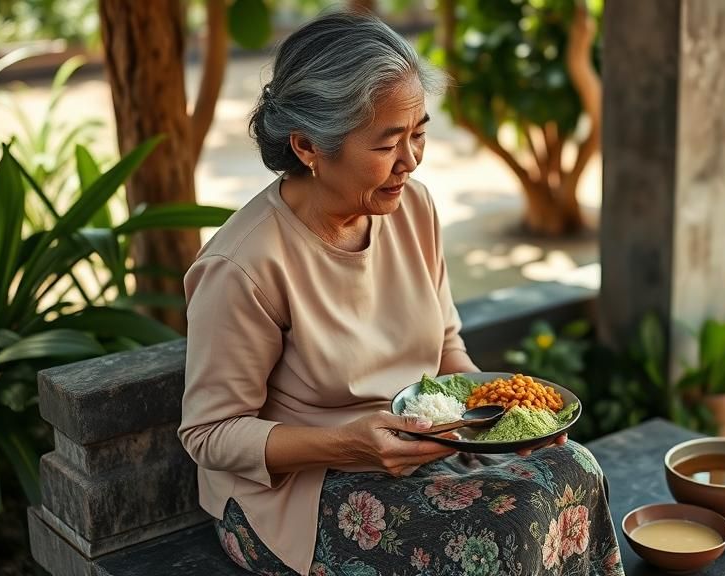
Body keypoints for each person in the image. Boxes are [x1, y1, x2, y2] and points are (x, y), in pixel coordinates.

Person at [178, 11, 623, 576]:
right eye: (389, 144)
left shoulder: (412, 207)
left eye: (419, 135)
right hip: (299, 493)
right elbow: (210, 434)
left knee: (575, 467)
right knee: (506, 529)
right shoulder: (243, 264)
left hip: (416, 452)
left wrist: (489, 422)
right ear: (308, 146)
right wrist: (348, 445)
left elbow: (445, 345)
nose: (410, 162)